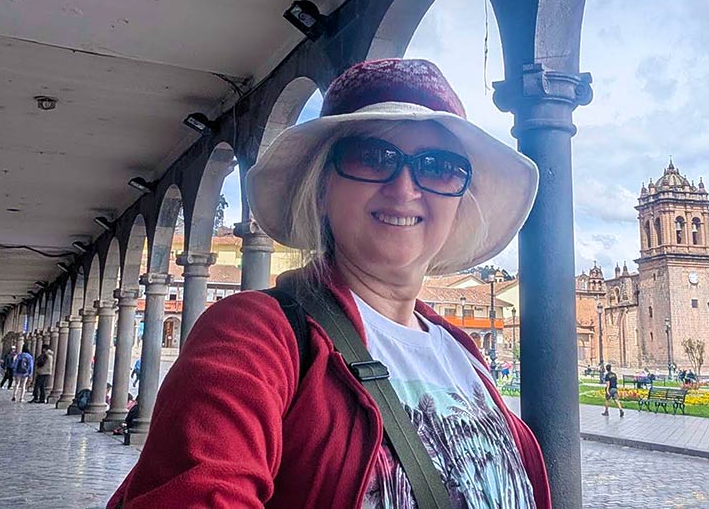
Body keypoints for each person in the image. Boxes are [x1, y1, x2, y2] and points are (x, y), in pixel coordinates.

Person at [109, 58, 549, 508]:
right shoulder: (254, 336)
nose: (404, 188)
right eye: (372, 157)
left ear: (459, 198)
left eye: (437, 166)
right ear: (321, 189)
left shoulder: (465, 356)